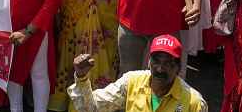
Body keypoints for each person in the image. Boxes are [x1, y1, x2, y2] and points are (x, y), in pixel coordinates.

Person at [68, 34, 208, 112]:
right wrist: (81, 78)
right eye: (156, 61)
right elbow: (91, 108)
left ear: (178, 68)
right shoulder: (131, 82)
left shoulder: (194, 103)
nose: (160, 69)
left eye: (168, 64)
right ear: (148, 62)